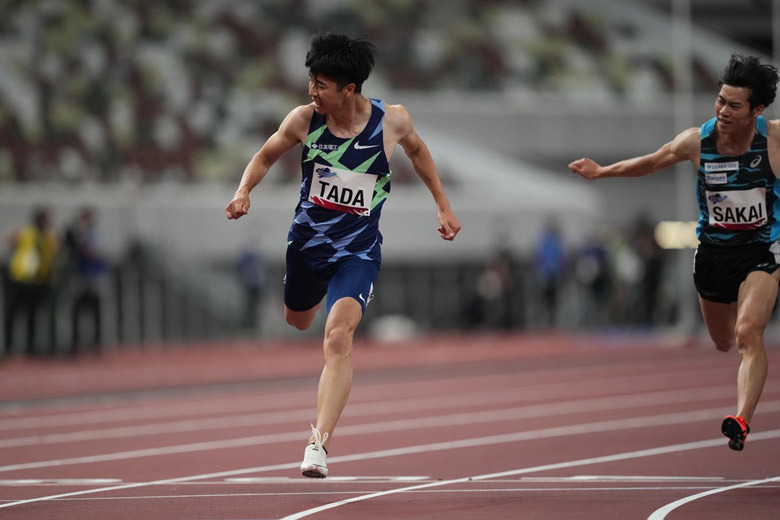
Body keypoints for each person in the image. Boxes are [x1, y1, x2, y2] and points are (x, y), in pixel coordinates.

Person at [225, 32, 461, 477]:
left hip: (359, 250)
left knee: (337, 337)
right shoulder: (303, 120)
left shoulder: (392, 121)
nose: (312, 91)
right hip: (307, 246)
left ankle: (318, 445)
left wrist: (443, 205)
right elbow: (264, 155)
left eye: (321, 84)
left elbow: (419, 152)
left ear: (349, 89)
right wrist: (243, 192)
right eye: (311, 80)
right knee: (298, 320)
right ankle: (305, 298)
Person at [569, 53, 780, 452]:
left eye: (735, 105)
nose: (723, 110)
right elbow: (651, 162)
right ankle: (738, 316)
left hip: (762, 250)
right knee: (722, 341)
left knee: (747, 333)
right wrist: (602, 172)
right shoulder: (697, 141)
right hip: (714, 255)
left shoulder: (774, 140)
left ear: (758, 109)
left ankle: (741, 420)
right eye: (720, 100)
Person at [3, 206, 59, 356]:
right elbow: (8, 240)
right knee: (13, 315)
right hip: (20, 279)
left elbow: (54, 253)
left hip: (38, 281)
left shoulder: (49, 236)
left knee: (32, 316)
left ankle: (30, 348)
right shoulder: (26, 232)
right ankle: (8, 348)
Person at [63, 207, 107, 356]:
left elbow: (95, 253)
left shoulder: (95, 234)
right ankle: (75, 345)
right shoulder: (78, 234)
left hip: (94, 276)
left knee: (96, 312)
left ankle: (96, 344)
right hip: (81, 276)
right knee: (77, 311)